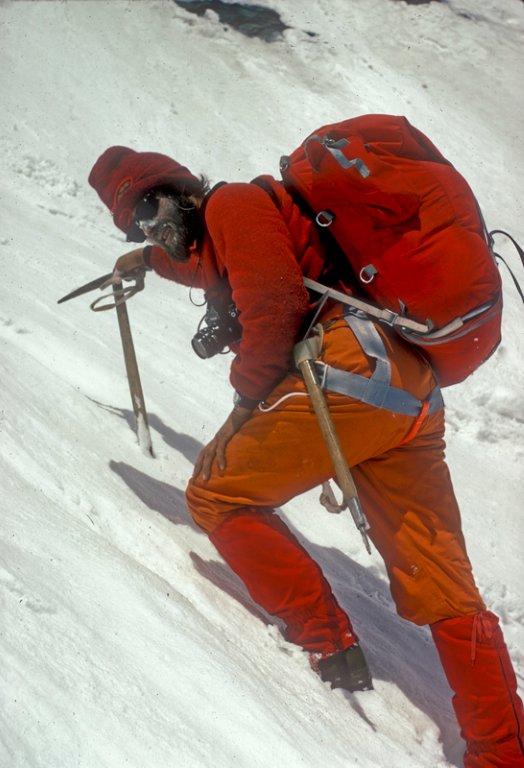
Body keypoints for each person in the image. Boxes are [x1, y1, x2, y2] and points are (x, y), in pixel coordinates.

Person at [88, 145, 524, 767]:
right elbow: (199, 264)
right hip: (406, 392)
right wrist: (144, 261)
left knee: (216, 493)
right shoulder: (216, 235)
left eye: (152, 209)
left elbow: (273, 308)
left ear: (181, 189)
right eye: (137, 223)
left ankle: (327, 644)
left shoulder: (233, 205)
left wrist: (242, 410)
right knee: (446, 587)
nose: (152, 227)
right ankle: (505, 753)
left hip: (350, 374)